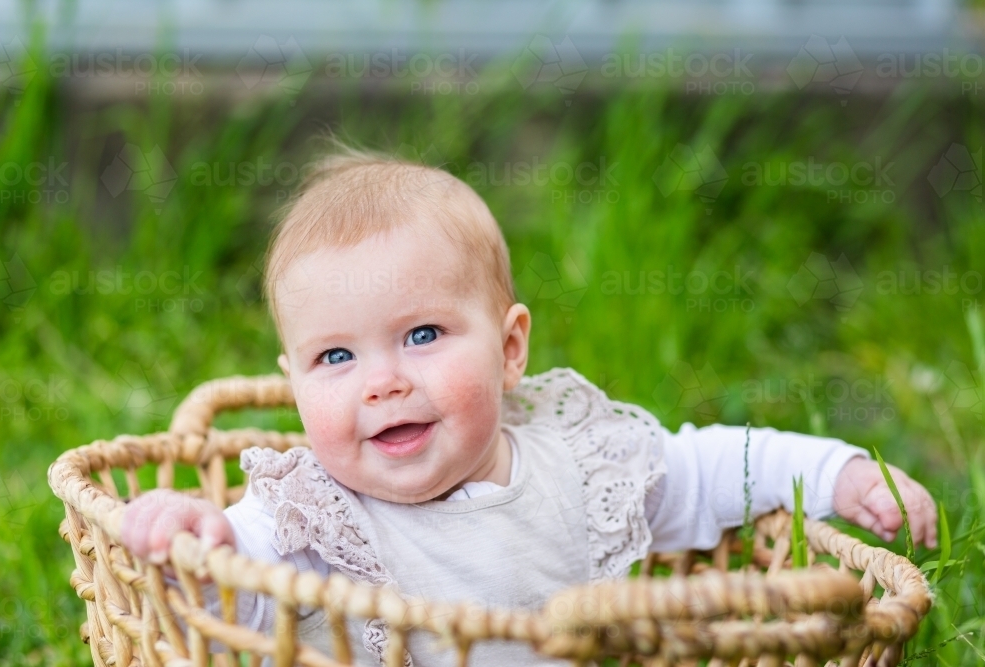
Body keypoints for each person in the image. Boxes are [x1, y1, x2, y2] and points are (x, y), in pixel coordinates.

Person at [122, 146, 937, 667]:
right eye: (335, 356)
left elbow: (705, 468)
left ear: (511, 349)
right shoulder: (315, 511)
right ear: (293, 381)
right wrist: (201, 534)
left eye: (422, 334)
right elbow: (242, 593)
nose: (381, 382)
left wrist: (834, 471)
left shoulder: (579, 463)